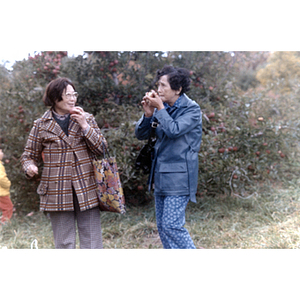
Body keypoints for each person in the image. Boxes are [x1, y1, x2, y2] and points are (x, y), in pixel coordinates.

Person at [21, 77, 107, 249]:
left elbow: (102, 149)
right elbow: (28, 155)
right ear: (54, 97)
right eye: (67, 95)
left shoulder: (87, 118)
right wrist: (29, 166)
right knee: (64, 243)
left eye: (74, 94)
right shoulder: (40, 125)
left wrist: (84, 126)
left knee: (92, 241)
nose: (72, 99)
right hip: (56, 190)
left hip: (86, 187)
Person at [135, 65, 202, 249]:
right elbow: (140, 134)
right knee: (163, 228)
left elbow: (174, 130)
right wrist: (148, 115)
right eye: (158, 85)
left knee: (172, 226)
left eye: (164, 86)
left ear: (178, 89)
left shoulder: (191, 109)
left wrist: (160, 108)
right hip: (160, 175)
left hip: (180, 177)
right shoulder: (161, 108)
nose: (159, 90)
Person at [0, 147, 14, 225]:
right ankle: (4, 224)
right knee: (8, 208)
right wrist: (8, 184)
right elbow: (1, 178)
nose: (2, 153)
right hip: (1, 193)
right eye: (0, 151)